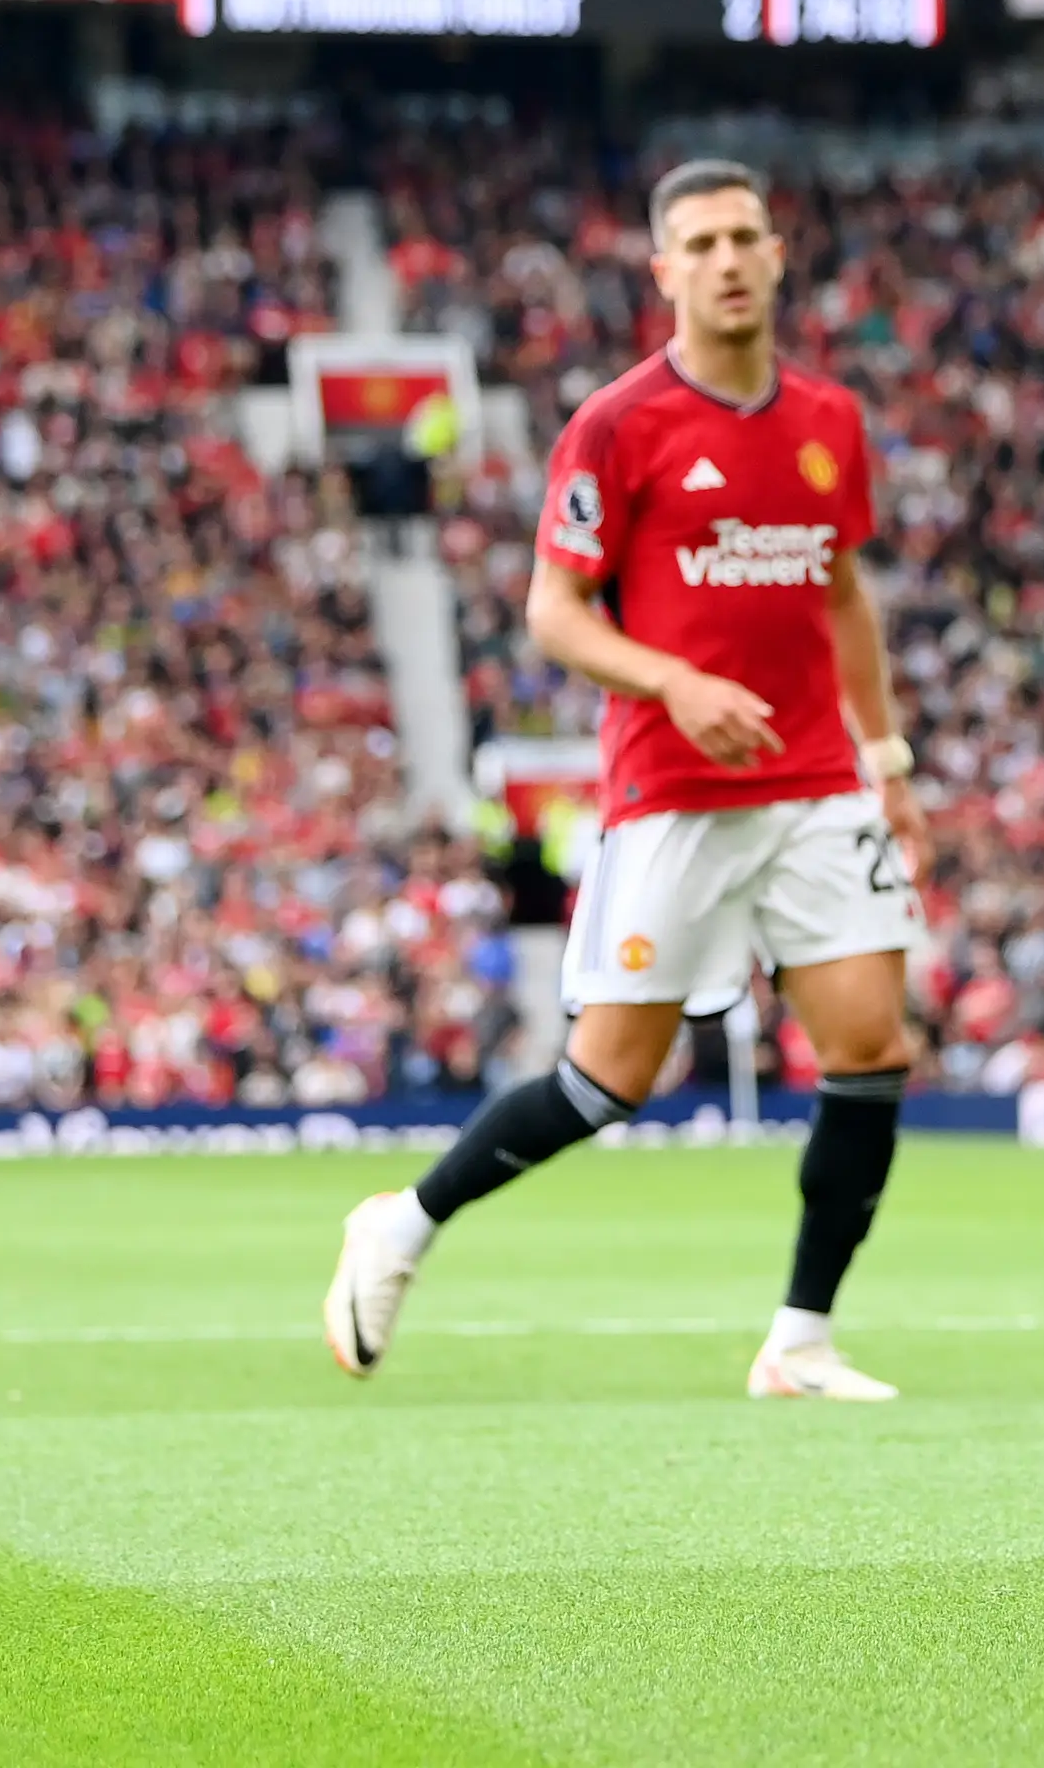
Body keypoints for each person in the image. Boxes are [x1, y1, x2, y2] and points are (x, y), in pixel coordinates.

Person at [323, 160, 931, 1402]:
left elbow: (843, 592)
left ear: (777, 253)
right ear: (664, 270)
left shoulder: (829, 420)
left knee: (870, 1043)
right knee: (611, 1078)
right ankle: (403, 1221)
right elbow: (554, 610)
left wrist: (883, 751)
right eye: (699, 241)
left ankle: (800, 1337)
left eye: (744, 235)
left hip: (818, 784)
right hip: (674, 792)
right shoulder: (616, 424)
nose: (726, 258)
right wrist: (674, 682)